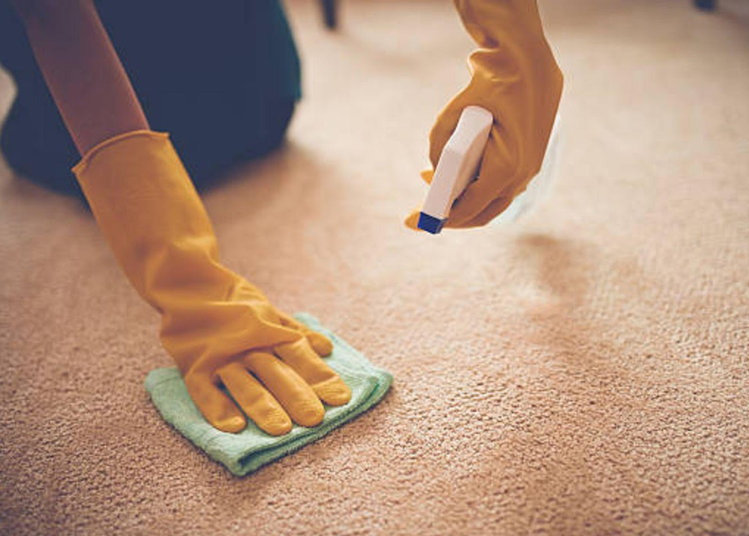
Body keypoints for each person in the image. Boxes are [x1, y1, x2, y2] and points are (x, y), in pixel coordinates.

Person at [1, 0, 563, 435]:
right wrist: (182, 274)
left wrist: (512, 45)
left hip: (248, 76)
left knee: (254, 110)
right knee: (58, 139)